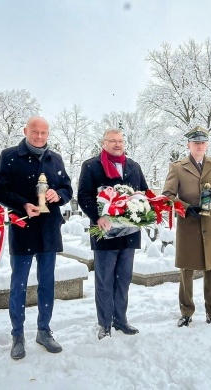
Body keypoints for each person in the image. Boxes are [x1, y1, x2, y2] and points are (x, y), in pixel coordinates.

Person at [0, 116, 72, 360]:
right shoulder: (10, 156)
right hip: (23, 227)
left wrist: (57, 195)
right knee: (19, 284)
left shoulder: (55, 158)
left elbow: (68, 189)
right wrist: (23, 204)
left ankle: (44, 330)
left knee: (47, 283)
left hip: (48, 229)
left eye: (43, 132)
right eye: (34, 132)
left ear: (48, 133)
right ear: (25, 130)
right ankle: (18, 334)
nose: (39, 136)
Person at [77, 128, 148, 340]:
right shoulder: (91, 166)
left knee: (123, 279)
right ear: (104, 143)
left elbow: (143, 192)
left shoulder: (134, 167)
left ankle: (121, 319)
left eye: (120, 141)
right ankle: (104, 322)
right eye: (113, 141)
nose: (117, 144)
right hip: (104, 231)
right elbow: (84, 195)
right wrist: (98, 216)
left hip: (129, 233)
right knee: (105, 280)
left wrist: (144, 210)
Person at [162, 126, 211, 327]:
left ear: (207, 144)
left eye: (203, 142)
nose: (200, 145)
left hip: (210, 223)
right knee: (186, 270)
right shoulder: (177, 167)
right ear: (189, 145)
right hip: (188, 224)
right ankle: (186, 312)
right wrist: (184, 208)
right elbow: (167, 196)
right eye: (196, 143)